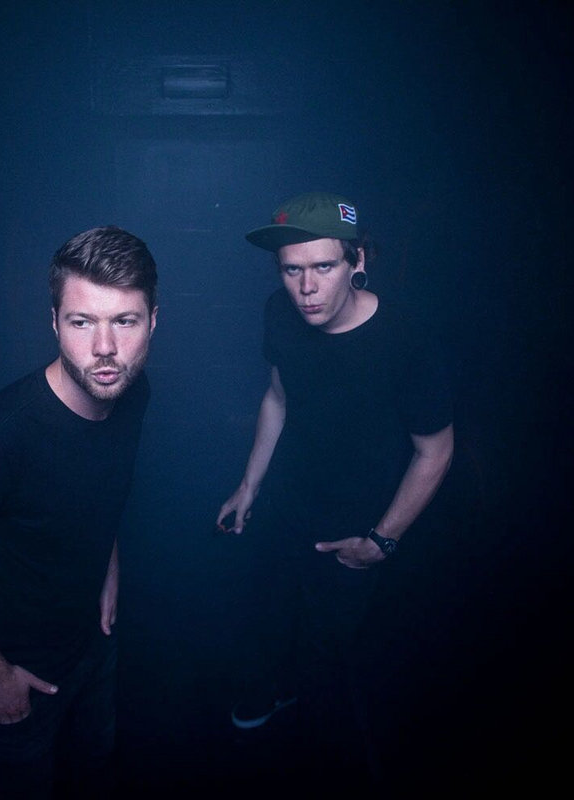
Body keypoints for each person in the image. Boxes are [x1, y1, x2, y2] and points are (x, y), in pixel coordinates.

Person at [0, 225, 158, 799]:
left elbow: (99, 484)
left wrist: (109, 565)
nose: (104, 347)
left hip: (91, 646)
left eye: (124, 321)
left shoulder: (131, 391)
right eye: (81, 322)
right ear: (54, 323)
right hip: (19, 673)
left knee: (94, 768)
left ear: (153, 322)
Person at [216, 191, 455, 790]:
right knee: (266, 612)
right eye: (292, 270)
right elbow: (278, 397)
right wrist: (249, 485)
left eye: (323, 266)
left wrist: (382, 540)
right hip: (288, 503)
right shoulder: (279, 313)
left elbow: (435, 450)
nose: (306, 288)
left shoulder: (405, 337)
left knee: (332, 658)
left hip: (357, 525)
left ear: (357, 261)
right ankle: (276, 698)